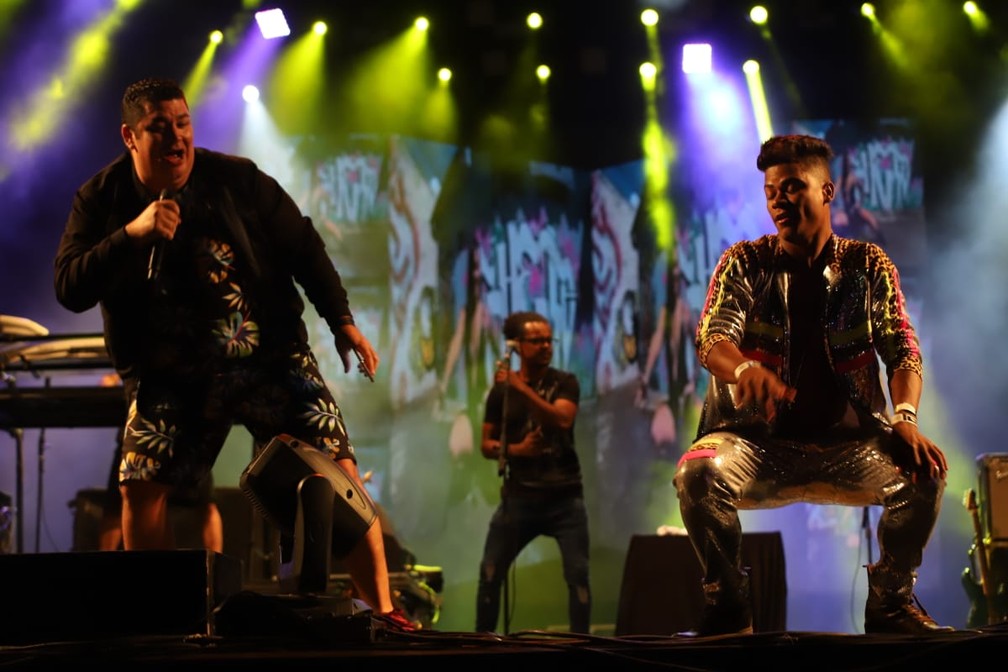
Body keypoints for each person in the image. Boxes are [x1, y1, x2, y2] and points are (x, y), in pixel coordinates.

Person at [53, 77, 412, 629]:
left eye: (183, 123)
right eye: (159, 127)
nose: (176, 138)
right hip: (172, 374)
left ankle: (386, 612)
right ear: (130, 135)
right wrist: (132, 234)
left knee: (337, 470)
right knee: (140, 482)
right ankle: (157, 623)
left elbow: (304, 247)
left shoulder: (237, 180)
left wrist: (342, 322)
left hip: (268, 357)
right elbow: (70, 287)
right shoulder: (102, 199)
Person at [674, 134, 952, 636]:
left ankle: (890, 602)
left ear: (826, 192)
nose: (779, 199)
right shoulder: (744, 262)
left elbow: (903, 350)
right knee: (697, 475)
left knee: (925, 473)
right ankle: (730, 605)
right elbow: (712, 337)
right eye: (771, 190)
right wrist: (741, 370)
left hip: (848, 447)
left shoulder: (869, 266)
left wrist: (905, 419)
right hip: (756, 446)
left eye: (793, 186)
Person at [475, 311, 591, 634]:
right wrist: (517, 450)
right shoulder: (501, 392)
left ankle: (583, 647)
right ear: (517, 346)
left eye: (548, 340)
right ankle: (478, 645)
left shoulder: (565, 382)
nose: (545, 346)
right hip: (519, 498)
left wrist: (519, 387)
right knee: (489, 573)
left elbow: (562, 419)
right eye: (536, 340)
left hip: (565, 498)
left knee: (578, 576)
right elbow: (486, 445)